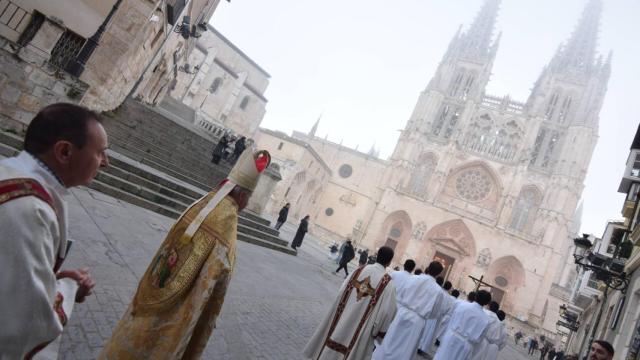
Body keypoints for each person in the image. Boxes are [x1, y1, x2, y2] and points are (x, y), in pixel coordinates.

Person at [99, 149, 271, 359]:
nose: (246, 204)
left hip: (155, 288)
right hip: (181, 312)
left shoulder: (204, 203)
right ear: (243, 196)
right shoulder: (226, 224)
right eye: (249, 198)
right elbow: (218, 279)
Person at [0, 103, 108, 358]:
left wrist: (51, 277)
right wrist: (71, 287)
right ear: (65, 151)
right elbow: (26, 321)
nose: (106, 163)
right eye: (101, 152)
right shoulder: (30, 210)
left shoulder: (10, 171)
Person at [303, 247, 397, 360]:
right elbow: (387, 313)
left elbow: (341, 291)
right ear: (389, 262)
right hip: (362, 330)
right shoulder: (388, 284)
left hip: (342, 319)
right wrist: (378, 333)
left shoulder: (359, 270)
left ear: (377, 256)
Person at [373, 261, 446, 360]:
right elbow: (435, 313)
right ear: (438, 274)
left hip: (402, 313)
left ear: (428, 267)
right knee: (406, 349)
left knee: (390, 341)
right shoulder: (438, 291)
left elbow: (402, 292)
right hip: (418, 321)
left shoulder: (413, 278)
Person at [433, 290, 492, 360]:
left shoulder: (462, 305)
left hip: (452, 337)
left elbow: (452, 320)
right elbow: (480, 339)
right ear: (486, 303)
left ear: (476, 296)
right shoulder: (486, 319)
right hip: (466, 346)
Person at [420, 280, 455, 354]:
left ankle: (419, 344)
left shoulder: (438, 291)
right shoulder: (449, 298)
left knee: (426, 329)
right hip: (438, 317)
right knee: (431, 333)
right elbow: (448, 309)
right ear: (449, 288)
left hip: (431, 314)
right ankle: (424, 348)